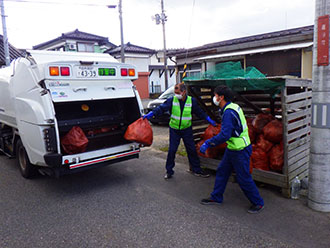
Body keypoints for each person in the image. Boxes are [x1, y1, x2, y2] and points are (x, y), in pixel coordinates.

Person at [199, 85, 264, 214]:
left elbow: (225, 135)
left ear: (221, 97)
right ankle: (216, 197)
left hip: (240, 149)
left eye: (215, 95)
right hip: (233, 148)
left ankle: (258, 202)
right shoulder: (232, 107)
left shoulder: (228, 112)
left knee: (243, 178)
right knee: (222, 171)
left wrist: (208, 143)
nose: (214, 97)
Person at [143, 83, 216, 180]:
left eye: (177, 92)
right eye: (175, 92)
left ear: (184, 92)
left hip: (186, 129)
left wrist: (208, 119)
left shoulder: (191, 101)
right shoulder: (172, 100)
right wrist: (151, 114)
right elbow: (161, 108)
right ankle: (169, 171)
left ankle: (196, 170)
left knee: (191, 150)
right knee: (172, 150)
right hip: (174, 130)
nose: (176, 94)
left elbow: (199, 112)